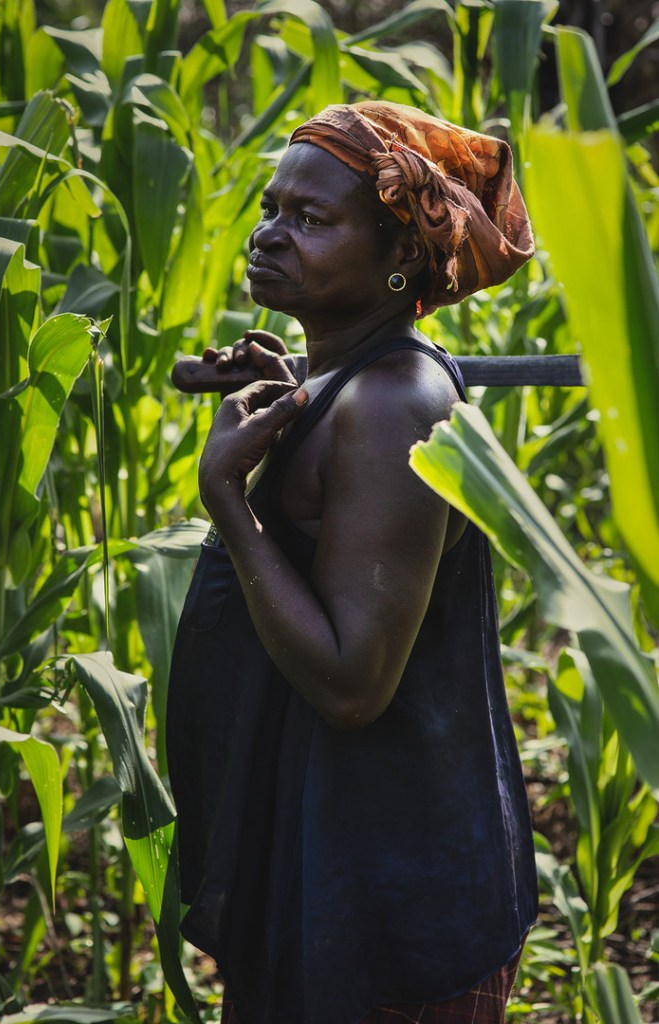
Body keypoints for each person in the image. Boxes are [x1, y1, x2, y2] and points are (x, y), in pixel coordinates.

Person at [166, 101, 538, 1024]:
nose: (268, 234)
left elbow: (351, 685)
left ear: (400, 254)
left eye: (311, 219)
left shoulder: (390, 405)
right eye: (270, 208)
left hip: (383, 890)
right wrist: (292, 383)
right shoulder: (349, 376)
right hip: (335, 849)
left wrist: (227, 497)